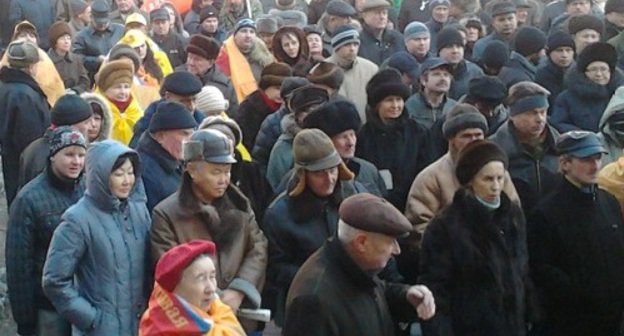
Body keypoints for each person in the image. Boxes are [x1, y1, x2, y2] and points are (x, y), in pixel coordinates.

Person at [150, 129, 268, 332]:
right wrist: (216, 300)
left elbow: (258, 246)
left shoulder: (239, 205)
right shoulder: (166, 213)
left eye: (227, 171)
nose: (224, 179)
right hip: (193, 321)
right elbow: (170, 270)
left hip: (240, 316)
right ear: (192, 170)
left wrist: (240, 289)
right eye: (216, 172)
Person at [282, 193, 436, 335]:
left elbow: (374, 294)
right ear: (361, 242)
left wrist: (406, 296)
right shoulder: (312, 301)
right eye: (390, 242)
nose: (397, 250)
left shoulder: (354, 265)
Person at [419, 140, 530, 336]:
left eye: (500, 178)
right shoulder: (445, 226)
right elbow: (437, 288)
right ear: (470, 180)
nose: (496, 186)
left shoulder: (513, 216)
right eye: (487, 179)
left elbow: (523, 273)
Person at [43, 140, 151, 336]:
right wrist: (91, 318)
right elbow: (55, 280)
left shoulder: (139, 211)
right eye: (118, 174)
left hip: (140, 326)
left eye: (130, 172)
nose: (127, 180)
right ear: (101, 176)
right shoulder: (77, 219)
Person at [528, 131, 624, 336]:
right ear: (564, 164)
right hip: (571, 321)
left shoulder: (608, 202)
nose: (595, 165)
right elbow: (542, 269)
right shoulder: (547, 212)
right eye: (586, 159)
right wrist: (583, 294)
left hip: (612, 318)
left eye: (597, 158)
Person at [263, 128, 358, 326]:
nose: (330, 179)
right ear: (303, 175)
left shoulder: (352, 196)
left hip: (353, 298)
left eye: (332, 170)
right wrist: (321, 278)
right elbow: (276, 269)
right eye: (320, 174)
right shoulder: (279, 214)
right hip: (308, 306)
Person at [7, 127, 87, 336]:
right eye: (69, 154)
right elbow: (18, 265)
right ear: (52, 156)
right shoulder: (29, 199)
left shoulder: (88, 191)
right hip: (48, 308)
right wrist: (25, 319)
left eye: (81, 155)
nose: (76, 161)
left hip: (85, 301)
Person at [405, 104, 519, 250]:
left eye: (478, 135)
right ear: (451, 140)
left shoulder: (499, 174)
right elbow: (419, 229)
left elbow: (515, 214)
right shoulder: (430, 178)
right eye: (466, 136)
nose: (473, 140)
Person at [356, 68, 431, 212]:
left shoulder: (418, 132)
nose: (396, 106)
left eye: (399, 100)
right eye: (389, 100)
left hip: (412, 204)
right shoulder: (364, 136)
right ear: (377, 104)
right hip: (375, 207)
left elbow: (425, 169)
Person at [140, 240, 246, 336]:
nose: (211, 288)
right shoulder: (159, 327)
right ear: (176, 287)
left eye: (212, 277)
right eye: (201, 278)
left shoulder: (219, 311)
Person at [490, 81, 560, 214]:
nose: (540, 119)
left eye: (543, 112)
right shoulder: (494, 150)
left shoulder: (560, 146)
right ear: (513, 115)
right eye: (531, 113)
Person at [0, 40, 51, 207]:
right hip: (26, 165)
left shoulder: (5, 86)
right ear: (30, 67)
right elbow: (30, 139)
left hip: (10, 160)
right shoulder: (25, 95)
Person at [303, 100, 386, 196]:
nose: (351, 142)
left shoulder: (368, 170)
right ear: (326, 140)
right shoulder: (307, 174)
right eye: (343, 137)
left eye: (352, 135)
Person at [19, 95, 94, 189]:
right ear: (71, 125)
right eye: (86, 123)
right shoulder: (49, 155)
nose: (90, 127)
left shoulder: (33, 147)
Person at [137, 101, 198, 212]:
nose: (191, 140)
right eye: (184, 134)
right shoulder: (145, 171)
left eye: (192, 134)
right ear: (161, 136)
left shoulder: (178, 161)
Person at [266, 85, 330, 190]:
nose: (315, 116)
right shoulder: (284, 147)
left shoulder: (336, 138)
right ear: (297, 115)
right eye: (308, 111)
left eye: (320, 110)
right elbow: (275, 186)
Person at [552, 42, 624, 132]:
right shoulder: (566, 98)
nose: (599, 74)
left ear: (611, 72)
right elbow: (558, 123)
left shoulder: (620, 95)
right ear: (584, 73)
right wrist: (585, 137)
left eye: (603, 69)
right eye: (593, 69)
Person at [130, 71, 204, 148]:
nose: (192, 106)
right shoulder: (146, 127)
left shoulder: (202, 123)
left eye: (194, 100)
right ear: (168, 96)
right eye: (184, 101)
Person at [326, 25, 378, 122]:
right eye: (347, 45)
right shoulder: (322, 70)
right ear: (337, 47)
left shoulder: (371, 69)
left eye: (355, 44)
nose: (352, 48)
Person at [235, 62, 292, 151]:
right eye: (277, 88)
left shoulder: (289, 109)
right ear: (265, 87)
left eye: (285, 89)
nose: (281, 93)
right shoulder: (249, 109)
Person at [179, 34, 239, 117]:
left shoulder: (225, 86)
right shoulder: (176, 78)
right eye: (189, 57)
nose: (191, 63)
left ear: (210, 63)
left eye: (197, 59)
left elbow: (234, 116)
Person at [216, 19, 275, 103]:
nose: (248, 35)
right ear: (235, 35)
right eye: (243, 31)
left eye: (252, 32)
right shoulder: (224, 56)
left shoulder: (264, 56)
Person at [96, 58, 144, 145]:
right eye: (117, 87)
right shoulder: (99, 109)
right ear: (105, 89)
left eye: (126, 87)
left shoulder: (136, 110)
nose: (123, 92)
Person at [73, 0, 124, 79]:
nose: (102, 26)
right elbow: (77, 58)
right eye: (99, 23)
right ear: (91, 18)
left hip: (119, 74)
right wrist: (97, 60)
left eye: (105, 23)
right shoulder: (82, 36)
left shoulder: (120, 30)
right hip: (96, 76)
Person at [405, 58, 457, 128]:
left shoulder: (454, 107)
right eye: (436, 74)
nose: (443, 78)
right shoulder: (410, 106)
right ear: (423, 80)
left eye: (446, 75)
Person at [436, 27, 484, 100]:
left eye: (459, 47)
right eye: (449, 47)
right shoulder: (429, 72)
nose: (455, 51)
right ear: (439, 51)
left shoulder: (475, 73)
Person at [535, 31, 576, 112]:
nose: (564, 55)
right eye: (559, 50)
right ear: (549, 53)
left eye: (568, 50)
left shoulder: (579, 73)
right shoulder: (543, 75)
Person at [48, 22, 90, 95]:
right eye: (62, 39)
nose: (66, 42)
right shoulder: (47, 61)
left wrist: (75, 91)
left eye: (68, 38)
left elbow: (85, 82)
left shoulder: (76, 59)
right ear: (55, 42)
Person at [357, 0, 404, 66]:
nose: (382, 17)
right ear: (365, 16)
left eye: (384, 13)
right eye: (377, 13)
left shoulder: (397, 38)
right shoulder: (358, 41)